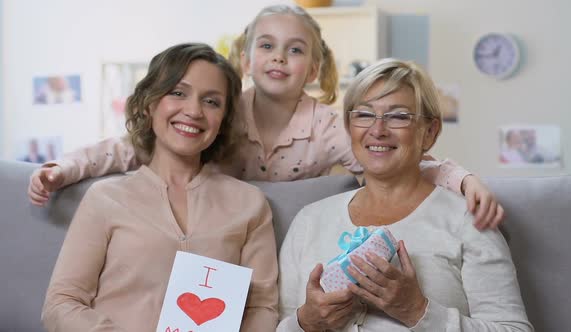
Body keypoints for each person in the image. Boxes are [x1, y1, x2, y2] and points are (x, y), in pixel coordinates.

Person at [28, 4, 502, 229]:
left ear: (313, 68)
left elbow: (400, 164)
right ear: (247, 59)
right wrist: (64, 168)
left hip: (289, 237)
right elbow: (132, 146)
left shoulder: (329, 126)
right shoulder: (221, 115)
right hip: (218, 231)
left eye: (295, 50)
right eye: (267, 46)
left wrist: (466, 182)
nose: (279, 57)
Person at [278, 59, 533, 331]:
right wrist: (306, 323)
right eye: (364, 114)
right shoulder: (309, 220)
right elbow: (281, 324)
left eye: (398, 116)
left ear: (429, 132)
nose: (378, 130)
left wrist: (417, 311)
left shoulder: (469, 221)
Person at [41, 43, 278, 331]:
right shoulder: (105, 198)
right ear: (150, 104)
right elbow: (61, 304)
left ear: (223, 120)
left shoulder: (250, 204)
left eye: (211, 101)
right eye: (178, 93)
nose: (193, 111)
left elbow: (263, 307)